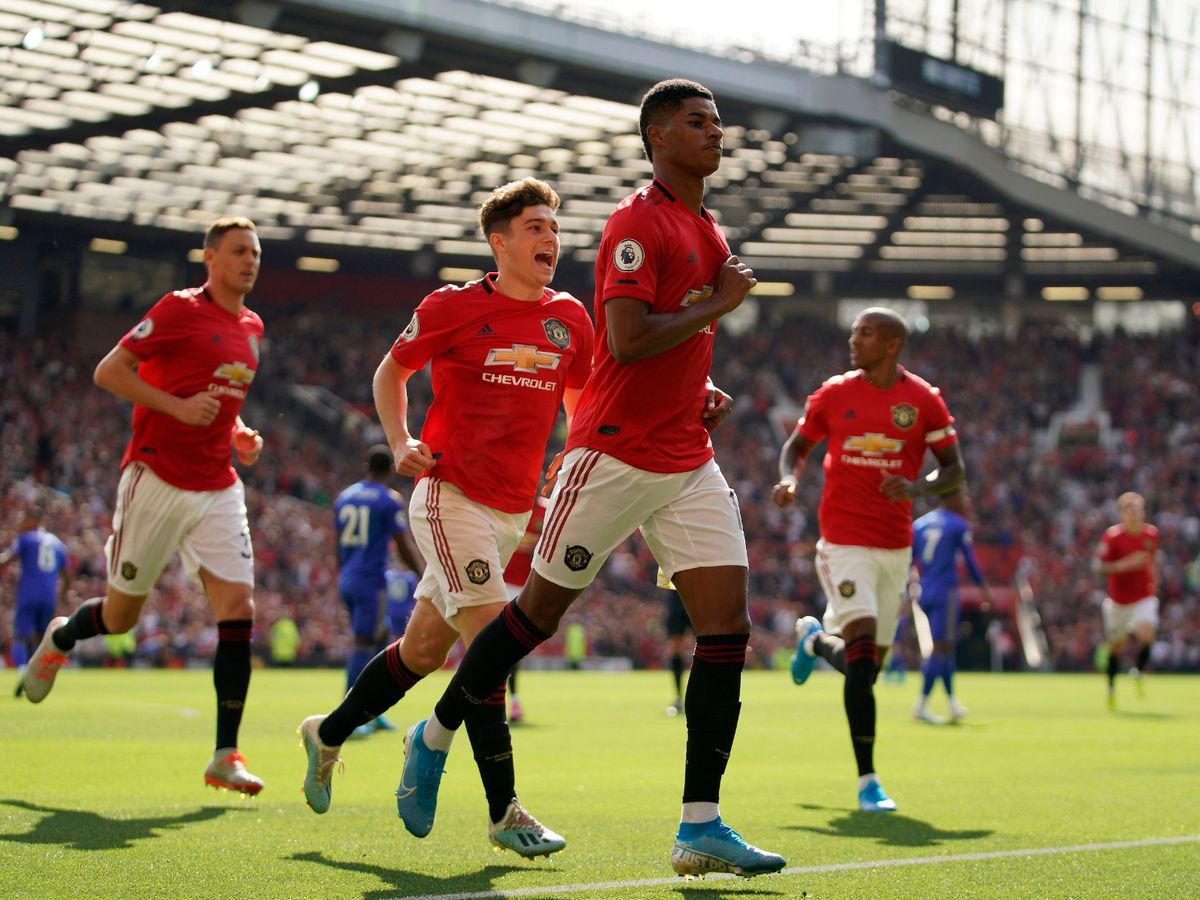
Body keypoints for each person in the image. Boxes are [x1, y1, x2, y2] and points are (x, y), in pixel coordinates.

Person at [396, 79, 786, 879]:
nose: (716, 132)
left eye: (718, 121)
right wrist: (720, 304)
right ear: (657, 137)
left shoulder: (706, 227)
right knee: (534, 618)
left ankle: (700, 825)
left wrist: (701, 387)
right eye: (697, 122)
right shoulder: (636, 222)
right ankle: (433, 734)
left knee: (726, 629)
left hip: (686, 457)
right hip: (611, 451)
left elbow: (673, 346)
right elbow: (628, 339)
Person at [298, 177, 593, 859]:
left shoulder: (571, 317)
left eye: (554, 228)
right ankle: (502, 809)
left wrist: (573, 453)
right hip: (448, 494)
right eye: (536, 228)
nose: (550, 239)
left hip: (512, 509)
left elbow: (579, 397)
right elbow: (390, 373)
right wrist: (400, 439)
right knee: (493, 640)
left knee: (424, 652)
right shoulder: (452, 306)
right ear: (499, 242)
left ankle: (327, 733)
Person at [21, 217, 268, 795]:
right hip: (155, 476)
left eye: (255, 253)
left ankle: (225, 754)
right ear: (210, 258)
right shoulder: (179, 309)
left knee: (239, 608)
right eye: (238, 251)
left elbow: (223, 396)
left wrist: (239, 434)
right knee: (120, 618)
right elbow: (108, 372)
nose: (249, 261)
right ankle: (61, 637)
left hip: (217, 484)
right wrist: (176, 408)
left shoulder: (253, 327)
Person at [772, 306, 964, 814]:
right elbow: (796, 447)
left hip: (895, 545)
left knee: (868, 670)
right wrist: (790, 479)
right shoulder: (834, 393)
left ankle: (815, 640)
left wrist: (917, 488)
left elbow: (954, 470)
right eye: (855, 332)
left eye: (867, 334)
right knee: (860, 658)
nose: (854, 340)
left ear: (893, 344)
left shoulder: (923, 400)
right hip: (843, 541)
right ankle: (868, 783)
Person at [332, 445, 425, 737]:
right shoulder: (388, 499)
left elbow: (337, 543)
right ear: (390, 470)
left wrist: (343, 573)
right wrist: (423, 574)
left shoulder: (344, 497)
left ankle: (374, 710)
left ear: (367, 466)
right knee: (364, 643)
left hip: (348, 576)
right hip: (370, 581)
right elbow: (402, 543)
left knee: (381, 636)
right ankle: (349, 716)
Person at [910, 487, 992, 724]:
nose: (966, 500)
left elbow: (910, 560)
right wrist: (983, 588)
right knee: (940, 650)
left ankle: (952, 703)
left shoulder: (920, 525)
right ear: (951, 497)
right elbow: (970, 561)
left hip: (925, 590)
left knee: (945, 649)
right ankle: (921, 704)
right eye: (962, 496)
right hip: (945, 592)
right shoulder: (957, 524)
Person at [1094, 491, 1159, 709]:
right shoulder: (1112, 537)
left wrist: (1154, 579)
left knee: (1147, 632)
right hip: (1118, 600)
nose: (1135, 515)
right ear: (1122, 514)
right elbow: (1097, 566)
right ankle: (1111, 687)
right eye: (1130, 511)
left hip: (1143, 595)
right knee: (1116, 646)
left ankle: (1138, 671)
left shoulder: (1151, 534)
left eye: (1138, 510)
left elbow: (1151, 562)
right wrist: (1124, 564)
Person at [2, 506, 68, 691]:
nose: (20, 523)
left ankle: (24, 672)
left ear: (32, 520)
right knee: (41, 639)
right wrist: (59, 598)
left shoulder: (26, 538)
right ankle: (39, 677)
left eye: (22, 519)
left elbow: (7, 559)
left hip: (28, 594)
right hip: (49, 597)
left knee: (20, 637)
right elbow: (67, 576)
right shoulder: (57, 543)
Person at [500, 496, 549, 724]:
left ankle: (511, 701)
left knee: (514, 648)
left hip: (529, 587)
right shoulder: (510, 503)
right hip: (503, 584)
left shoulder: (547, 509)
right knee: (503, 647)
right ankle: (508, 702)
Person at [661, 584, 692, 716]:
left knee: (707, 642)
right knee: (676, 651)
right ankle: (679, 698)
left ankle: (709, 696)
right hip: (678, 597)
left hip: (698, 595)